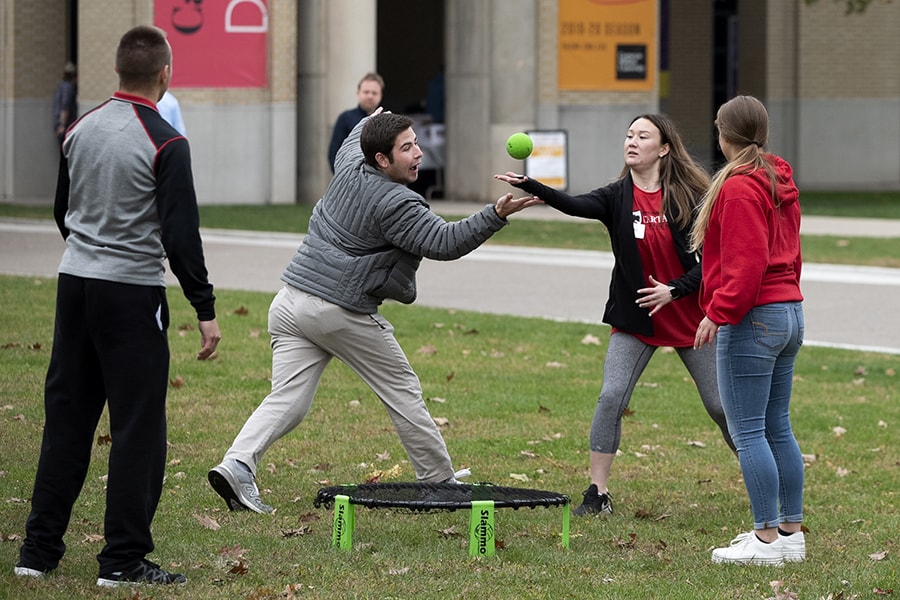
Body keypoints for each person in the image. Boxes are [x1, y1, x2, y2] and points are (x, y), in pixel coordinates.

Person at [208, 109, 541, 514]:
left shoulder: (351, 163)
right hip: (336, 311)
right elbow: (444, 242)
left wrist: (372, 119)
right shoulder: (395, 202)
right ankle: (438, 483)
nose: (419, 153)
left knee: (288, 399)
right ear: (381, 159)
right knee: (402, 389)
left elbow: (353, 138)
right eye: (406, 148)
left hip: (290, 302)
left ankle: (237, 464)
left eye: (416, 142)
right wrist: (496, 214)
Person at [14, 25, 221, 587]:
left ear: (117, 71)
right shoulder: (166, 142)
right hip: (130, 293)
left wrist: (90, 248)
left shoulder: (80, 129)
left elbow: (64, 211)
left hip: (74, 284)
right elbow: (182, 235)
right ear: (165, 74)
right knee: (138, 427)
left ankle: (36, 553)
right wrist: (204, 306)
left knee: (67, 421)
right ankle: (123, 560)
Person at [496, 114, 735, 516]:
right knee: (611, 397)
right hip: (636, 319)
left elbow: (712, 261)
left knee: (720, 406)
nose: (632, 141)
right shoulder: (616, 196)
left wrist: (674, 290)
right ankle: (598, 493)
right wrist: (532, 185)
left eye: (643, 136)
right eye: (628, 135)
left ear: (663, 148)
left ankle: (762, 477)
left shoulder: (690, 196)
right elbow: (574, 204)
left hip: (690, 319)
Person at [692, 95, 805, 566]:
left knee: (750, 432)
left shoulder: (740, 186)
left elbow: (747, 261)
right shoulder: (776, 176)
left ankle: (764, 542)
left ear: (723, 134)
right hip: (788, 313)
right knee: (777, 426)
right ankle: (790, 535)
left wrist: (718, 311)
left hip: (754, 317)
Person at [327, 72, 384, 172]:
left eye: (374, 93)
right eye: (366, 92)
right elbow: (334, 154)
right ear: (358, 93)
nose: (370, 96)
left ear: (381, 95)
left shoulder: (386, 120)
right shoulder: (345, 118)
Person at [52, 62, 78, 146]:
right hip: (66, 125)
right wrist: (62, 125)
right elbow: (65, 106)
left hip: (58, 122)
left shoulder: (61, 85)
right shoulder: (68, 88)